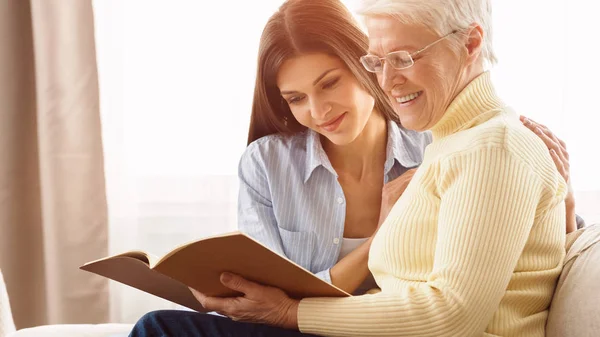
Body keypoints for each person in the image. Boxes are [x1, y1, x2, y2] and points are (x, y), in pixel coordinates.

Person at [129, 0, 577, 336]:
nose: (387, 78)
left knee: (158, 330)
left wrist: (559, 191)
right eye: (379, 62)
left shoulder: (480, 144)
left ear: (471, 44)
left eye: (403, 58)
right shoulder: (452, 140)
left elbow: (456, 307)